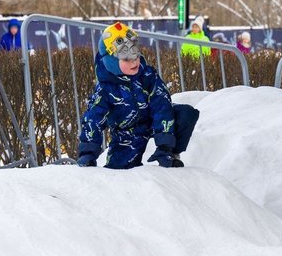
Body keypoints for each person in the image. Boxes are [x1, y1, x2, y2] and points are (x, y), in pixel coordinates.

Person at [78, 22, 200, 169]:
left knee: (186, 114)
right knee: (119, 173)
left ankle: (171, 154)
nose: (134, 61)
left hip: (151, 119)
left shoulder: (148, 75)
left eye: (135, 54)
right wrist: (88, 155)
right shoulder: (105, 88)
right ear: (111, 62)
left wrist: (165, 146)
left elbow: (161, 105)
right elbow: (93, 119)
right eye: (126, 59)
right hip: (127, 134)